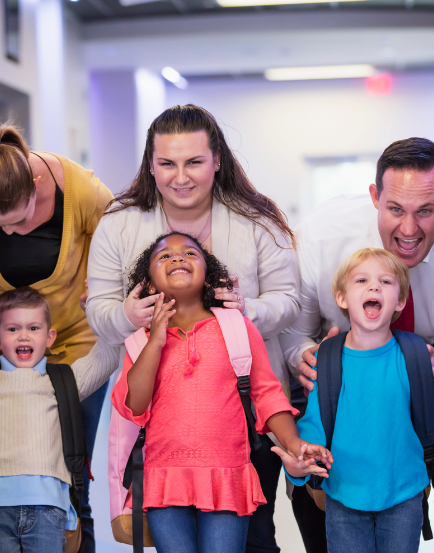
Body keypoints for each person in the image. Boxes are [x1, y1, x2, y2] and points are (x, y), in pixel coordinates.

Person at [87, 105, 299, 552]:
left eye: (194, 162)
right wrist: (129, 317)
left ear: (217, 159)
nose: (180, 177)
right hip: (163, 435)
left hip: (241, 424)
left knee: (256, 539)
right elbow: (100, 315)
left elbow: (289, 301)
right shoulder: (119, 223)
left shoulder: (257, 220)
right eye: (167, 163)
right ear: (150, 163)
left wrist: (245, 314)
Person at [0, 125, 115, 551]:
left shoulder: (80, 189)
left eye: (20, 219)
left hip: (74, 342)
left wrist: (106, 281)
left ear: (36, 184)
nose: (13, 233)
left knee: (74, 485)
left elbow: (121, 234)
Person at [112, 233, 329, 553]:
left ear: (208, 275)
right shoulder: (141, 341)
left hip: (227, 476)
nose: (177, 258)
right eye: (164, 257)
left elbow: (268, 395)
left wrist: (295, 444)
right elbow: (135, 404)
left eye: (189, 253)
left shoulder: (238, 328)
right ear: (149, 284)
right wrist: (155, 340)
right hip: (164, 480)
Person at [279, 137, 434, 553]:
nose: (409, 230)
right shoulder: (321, 237)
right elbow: (292, 334)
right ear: (375, 197)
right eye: (395, 210)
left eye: (425, 210)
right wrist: (309, 360)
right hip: (338, 393)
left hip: (427, 389)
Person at [0, 287, 119, 553]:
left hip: (49, 508)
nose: (23, 335)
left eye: (33, 328)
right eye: (13, 329)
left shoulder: (66, 380)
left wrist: (94, 313)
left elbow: (107, 356)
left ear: (50, 337)